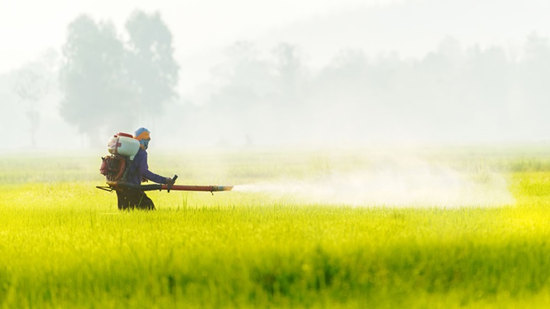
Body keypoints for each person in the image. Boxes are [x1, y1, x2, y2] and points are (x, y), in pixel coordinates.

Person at [116, 127, 174, 210]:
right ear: (142, 139)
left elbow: (130, 167)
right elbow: (144, 171)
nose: (148, 142)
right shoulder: (141, 152)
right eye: (147, 140)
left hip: (120, 187)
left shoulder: (129, 149)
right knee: (149, 208)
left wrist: (140, 176)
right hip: (132, 188)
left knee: (126, 214)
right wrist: (164, 180)